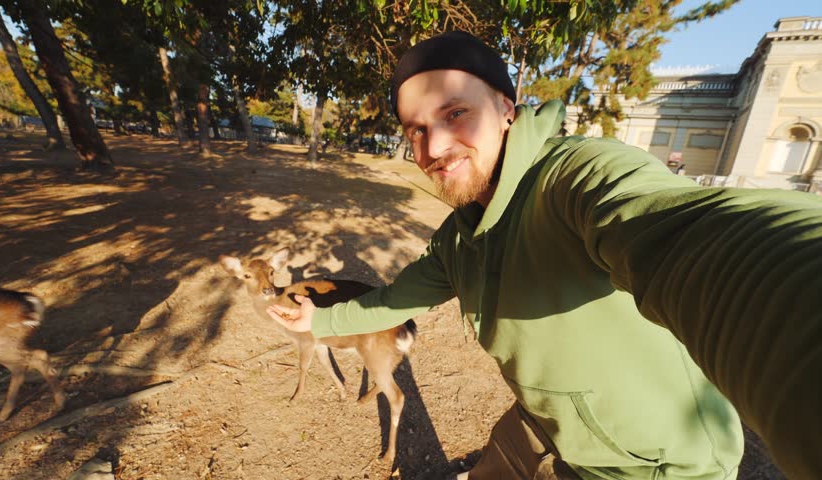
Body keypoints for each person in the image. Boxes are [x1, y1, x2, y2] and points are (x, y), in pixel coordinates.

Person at [267, 31, 822, 480]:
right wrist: (322, 319)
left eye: (455, 113)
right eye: (415, 130)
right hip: (551, 423)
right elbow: (392, 300)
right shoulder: (460, 236)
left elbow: (698, 240)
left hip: (651, 464)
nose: (433, 148)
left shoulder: (576, 179)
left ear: (506, 107)